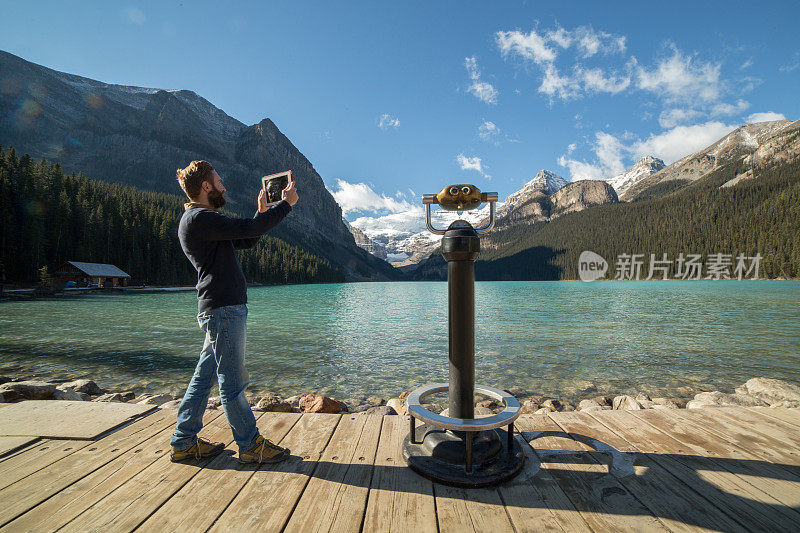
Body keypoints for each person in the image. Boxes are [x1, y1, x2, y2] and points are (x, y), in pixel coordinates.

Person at [170, 160, 298, 463]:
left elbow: (247, 237)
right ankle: (250, 445)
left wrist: (263, 213)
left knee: (204, 378)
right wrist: (287, 205)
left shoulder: (201, 219)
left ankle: (183, 440)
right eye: (218, 180)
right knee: (232, 381)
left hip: (219, 308)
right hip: (223, 309)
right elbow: (247, 230)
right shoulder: (200, 218)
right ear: (205, 187)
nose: (223, 185)